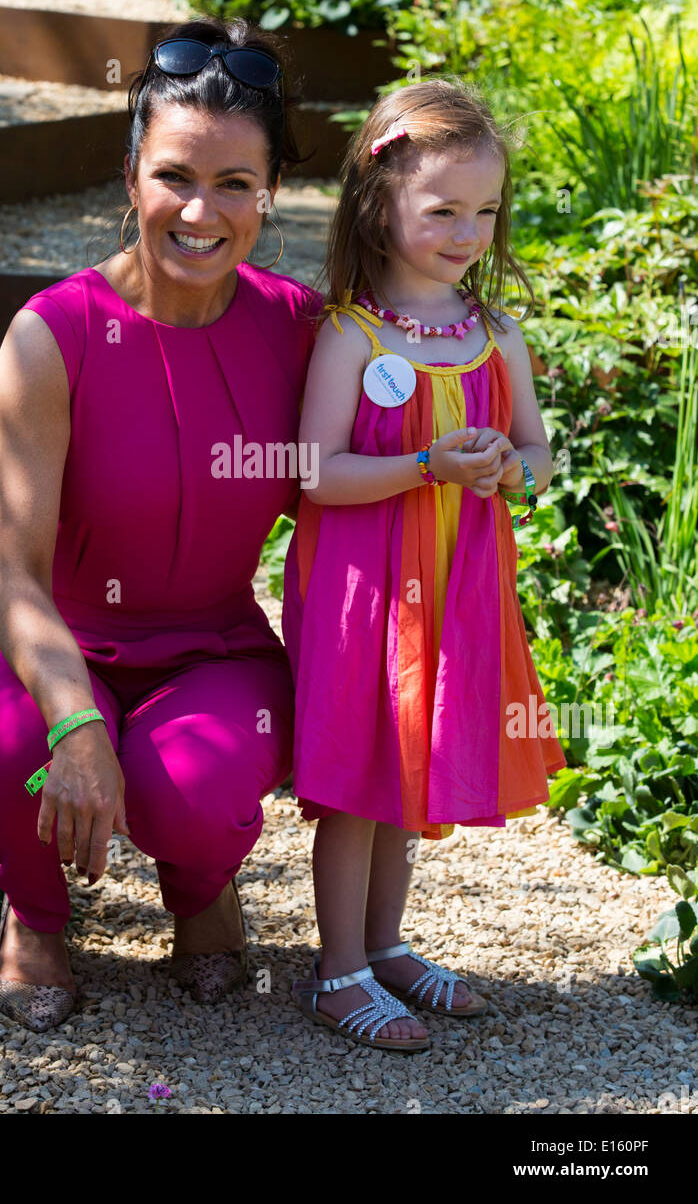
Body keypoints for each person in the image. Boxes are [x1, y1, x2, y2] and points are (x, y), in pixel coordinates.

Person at [0, 17, 322, 1030]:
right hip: (52, 641)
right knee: (8, 730)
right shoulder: (52, 336)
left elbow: (371, 482)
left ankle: (200, 891)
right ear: (129, 178)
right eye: (173, 177)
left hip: (214, 649)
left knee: (190, 780)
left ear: (268, 192)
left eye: (234, 183)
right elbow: (11, 576)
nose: (201, 210)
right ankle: (36, 914)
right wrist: (75, 719)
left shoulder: (300, 329)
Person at [282, 78, 567, 1052]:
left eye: (483, 210)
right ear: (378, 203)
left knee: (403, 775)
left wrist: (503, 471)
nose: (466, 231)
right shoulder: (350, 337)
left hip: (454, 593)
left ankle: (384, 944)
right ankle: (336, 971)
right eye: (441, 208)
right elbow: (315, 475)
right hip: (363, 599)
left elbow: (535, 453)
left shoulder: (492, 333)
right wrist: (422, 465)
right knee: (359, 782)